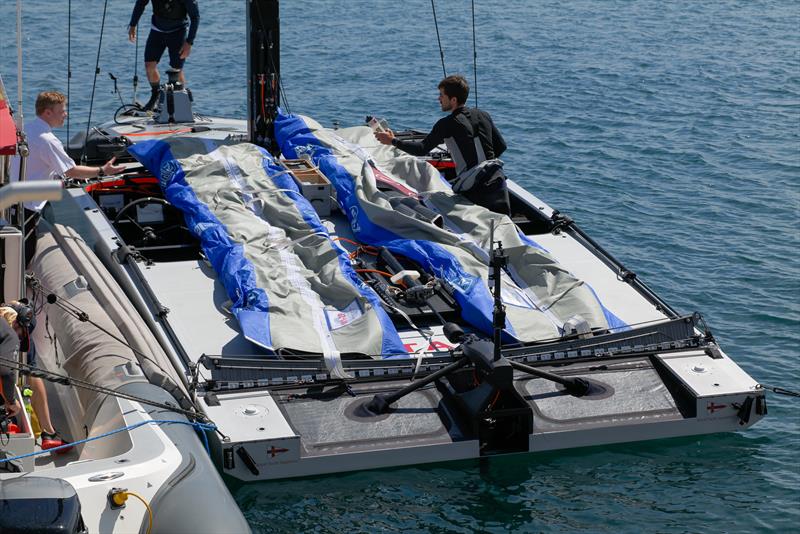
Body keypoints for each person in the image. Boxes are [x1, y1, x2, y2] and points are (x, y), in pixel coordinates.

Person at [8, 91, 124, 265]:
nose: (66, 114)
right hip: (29, 206)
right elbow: (71, 171)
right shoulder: (47, 140)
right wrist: (102, 170)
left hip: (14, 199)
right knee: (25, 255)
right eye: (62, 111)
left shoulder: (26, 130)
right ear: (48, 113)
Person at [375, 75, 510, 214]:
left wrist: (392, 141)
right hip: (497, 182)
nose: (439, 99)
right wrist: (483, 165)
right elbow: (501, 146)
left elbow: (422, 149)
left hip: (474, 190)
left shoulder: (447, 124)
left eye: (442, 95)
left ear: (453, 100)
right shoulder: (484, 114)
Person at [0, 302, 70, 450]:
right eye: (21, 335)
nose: (19, 340)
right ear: (17, 325)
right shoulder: (10, 335)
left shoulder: (8, 326)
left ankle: (48, 433)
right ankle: (49, 432)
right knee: (30, 368)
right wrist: (11, 400)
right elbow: (5, 372)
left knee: (29, 367)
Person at [128, 0, 200, 111]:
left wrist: (189, 42)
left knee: (177, 70)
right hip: (157, 31)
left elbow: (195, 17)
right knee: (149, 66)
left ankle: (182, 103)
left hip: (178, 32)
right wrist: (133, 24)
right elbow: (140, 3)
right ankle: (155, 95)